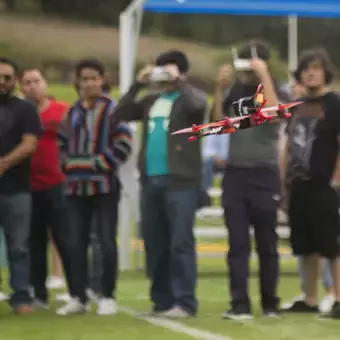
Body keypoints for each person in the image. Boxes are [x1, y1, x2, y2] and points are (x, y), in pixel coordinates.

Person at [114, 50, 207, 318]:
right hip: (150, 180)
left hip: (181, 182)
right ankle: (162, 301)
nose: (164, 75)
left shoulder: (189, 98)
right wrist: (138, 84)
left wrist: (179, 82)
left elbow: (199, 108)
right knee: (155, 242)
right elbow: (119, 113)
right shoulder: (151, 100)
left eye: (169, 70)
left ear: (182, 73)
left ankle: (185, 301)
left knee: (180, 241)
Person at [211, 40, 289, 320]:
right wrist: (219, 89)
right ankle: (239, 303)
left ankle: (270, 303)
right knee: (238, 244)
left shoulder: (277, 89)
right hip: (235, 174)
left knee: (267, 243)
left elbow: (273, 114)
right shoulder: (235, 93)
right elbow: (218, 124)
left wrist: (264, 75)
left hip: (264, 174)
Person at [56, 59, 132, 316]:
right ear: (77, 82)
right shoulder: (71, 113)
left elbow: (123, 146)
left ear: (102, 80)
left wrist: (91, 164)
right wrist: (74, 165)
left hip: (105, 188)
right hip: (75, 190)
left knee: (106, 242)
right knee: (74, 243)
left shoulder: (114, 111)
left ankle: (107, 295)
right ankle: (78, 296)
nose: (90, 83)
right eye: (85, 79)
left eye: (94, 78)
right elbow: (62, 149)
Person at [281, 48, 340, 319]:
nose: (311, 72)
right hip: (298, 183)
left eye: (316, 68)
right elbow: (289, 143)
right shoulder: (296, 105)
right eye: (306, 68)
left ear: (325, 72)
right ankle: (310, 298)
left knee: (331, 244)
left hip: (325, 184)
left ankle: (338, 298)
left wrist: (336, 180)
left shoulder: (335, 103)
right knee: (305, 246)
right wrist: (284, 182)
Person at [19, 68, 73, 308]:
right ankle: (38, 293)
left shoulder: (62, 110)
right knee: (35, 242)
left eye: (36, 81)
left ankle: (76, 291)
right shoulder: (19, 113)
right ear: (22, 88)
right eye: (27, 82)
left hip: (58, 183)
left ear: (45, 84)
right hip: (27, 185)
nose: (32, 86)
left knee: (65, 239)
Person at [0, 57, 42, 314]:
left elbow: (30, 143)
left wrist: (3, 163)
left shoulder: (25, 109)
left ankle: (22, 296)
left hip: (17, 190)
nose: (2, 82)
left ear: (14, 81)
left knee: (18, 246)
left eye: (7, 77)